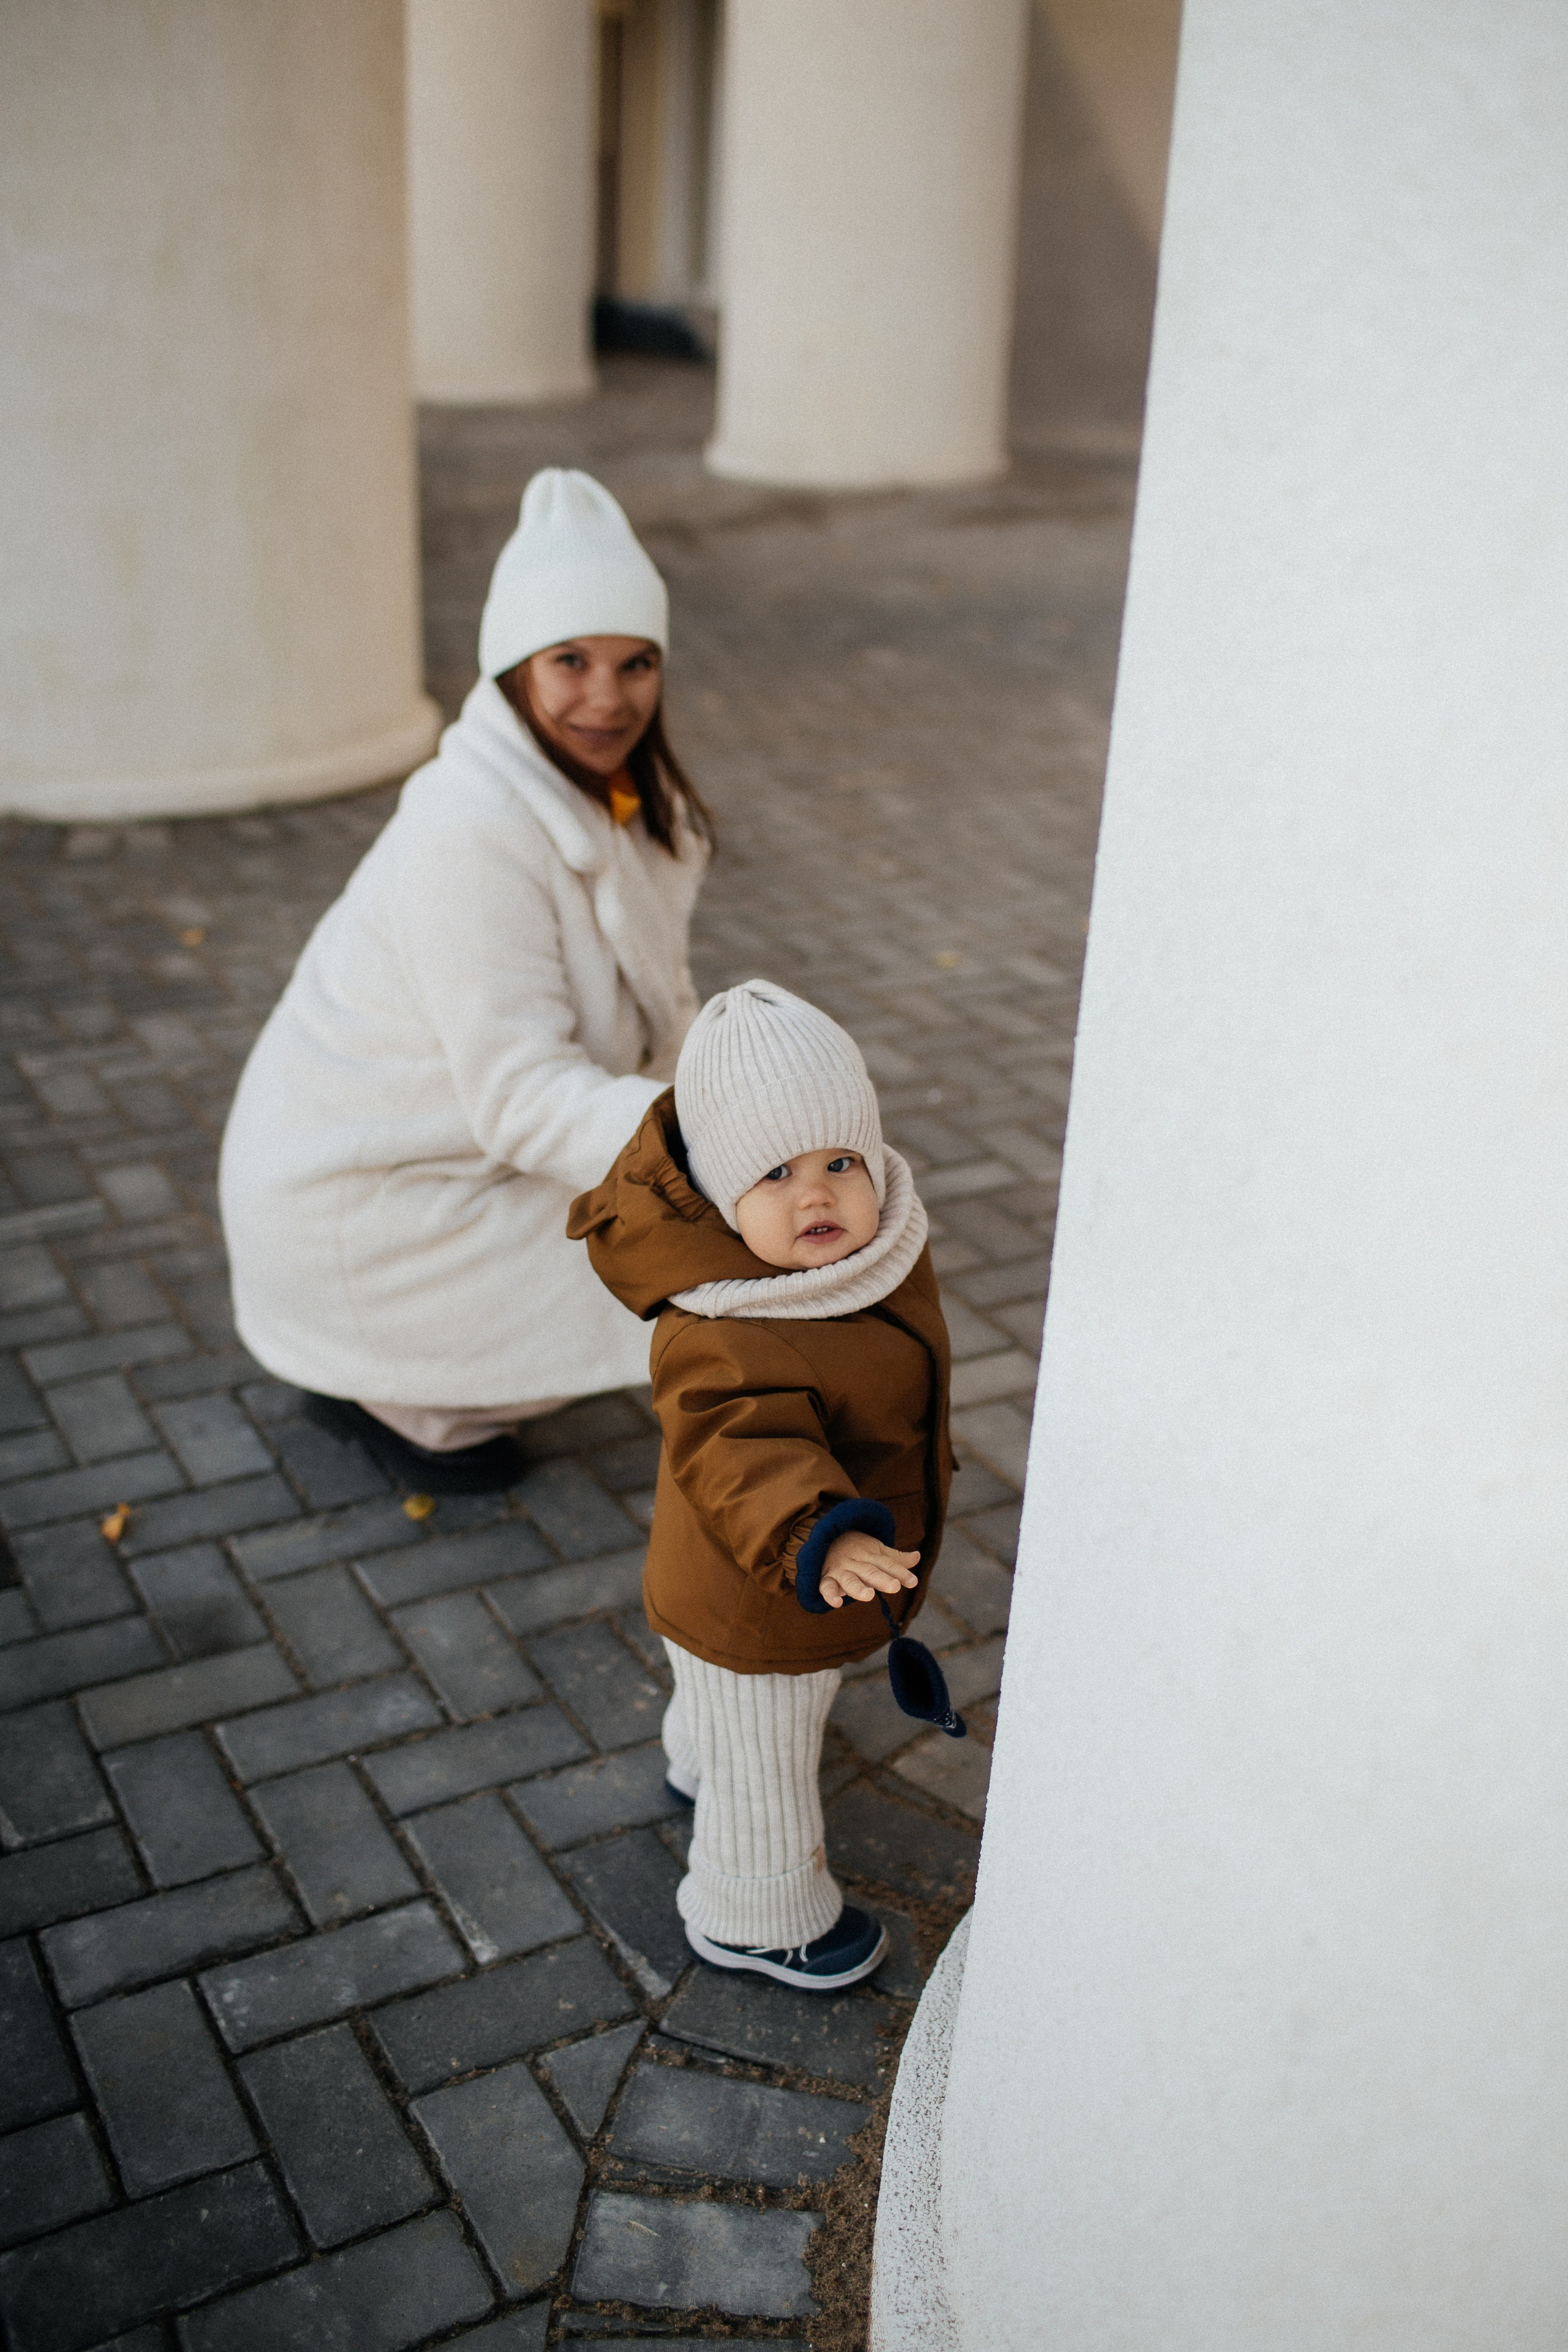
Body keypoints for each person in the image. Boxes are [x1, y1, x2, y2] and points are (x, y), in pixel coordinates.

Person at [219, 470, 711, 1493]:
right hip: (366, 1209)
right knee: (720, 1252)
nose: (607, 697)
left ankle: (448, 1377)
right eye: (569, 661)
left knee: (767, 1215)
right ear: (512, 669)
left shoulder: (631, 801)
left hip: (458, 1155)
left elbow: (661, 1011)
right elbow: (526, 1099)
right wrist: (720, 1151)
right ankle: (390, 1383)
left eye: (637, 663)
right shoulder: (468, 833)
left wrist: (755, 1101)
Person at [568, 979, 955, 1991]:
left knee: (736, 1730)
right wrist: (819, 1528)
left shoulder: (861, 1257)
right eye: (775, 1174)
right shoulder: (723, 1327)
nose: (817, 1195)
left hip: (794, 1575)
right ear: (720, 1193)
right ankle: (756, 1907)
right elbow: (743, 1448)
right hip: (763, 1584)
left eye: (839, 1162)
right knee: (767, 1761)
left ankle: (697, 1757)